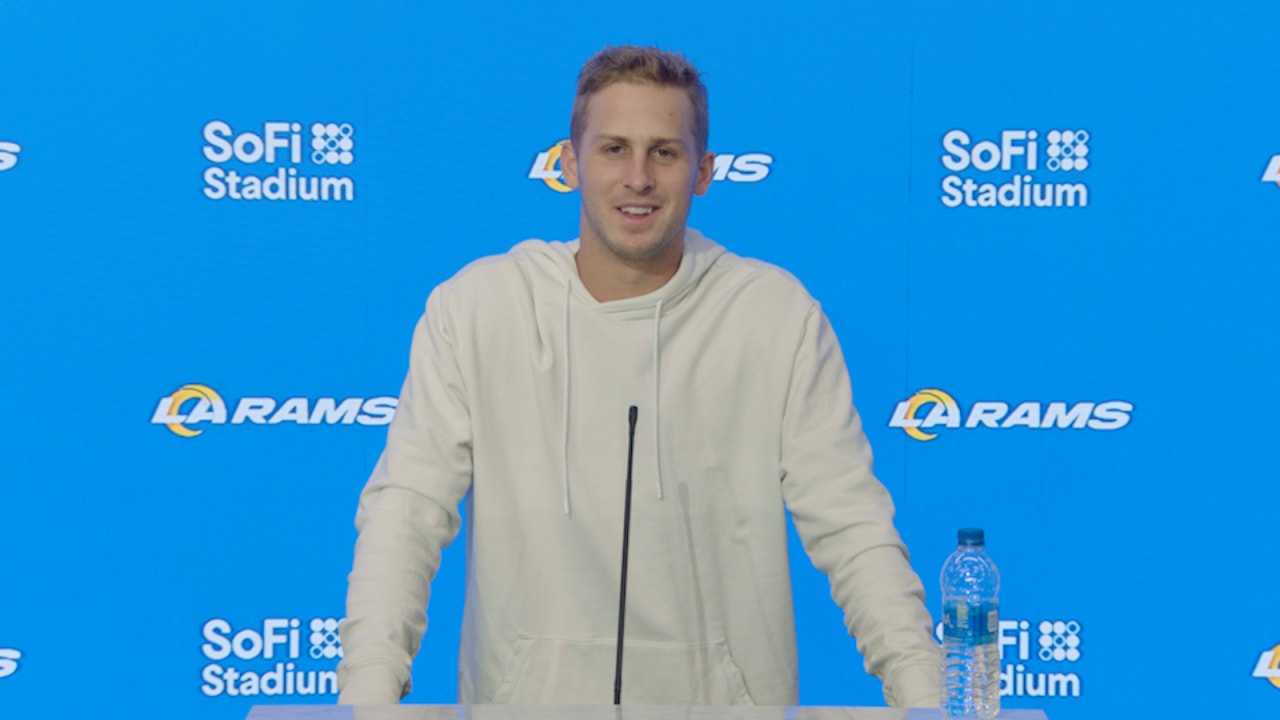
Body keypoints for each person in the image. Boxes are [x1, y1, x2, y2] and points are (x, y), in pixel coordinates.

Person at [337, 45, 940, 708]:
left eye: (665, 152)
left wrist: (928, 696)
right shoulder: (479, 308)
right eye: (614, 149)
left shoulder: (775, 315)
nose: (638, 178)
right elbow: (407, 514)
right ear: (569, 164)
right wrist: (366, 698)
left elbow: (851, 524)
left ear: (704, 171)